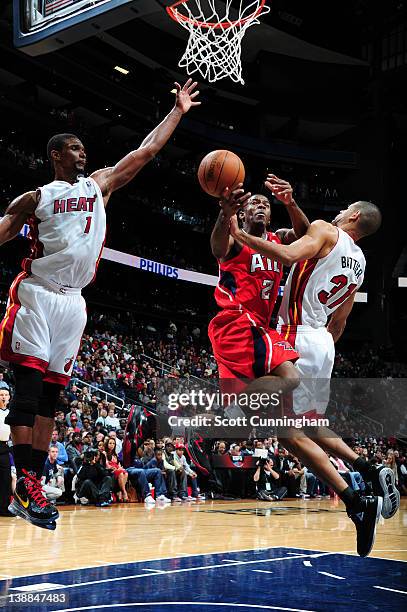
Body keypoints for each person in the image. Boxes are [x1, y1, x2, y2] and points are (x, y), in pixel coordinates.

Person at [0, 78, 200, 529]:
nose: (82, 153)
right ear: (55, 154)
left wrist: (178, 111)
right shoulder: (38, 198)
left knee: (52, 400)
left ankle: (28, 487)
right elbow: (4, 230)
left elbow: (145, 152)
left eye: (83, 148)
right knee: (28, 394)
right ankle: (27, 483)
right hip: (37, 294)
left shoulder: (99, 185)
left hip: (75, 305)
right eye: (73, 147)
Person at [229, 199, 399, 556]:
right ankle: (367, 468)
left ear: (353, 216)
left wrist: (242, 235)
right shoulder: (360, 263)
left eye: (345, 208)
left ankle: (356, 499)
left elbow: (288, 255)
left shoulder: (326, 229)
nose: (339, 210)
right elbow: (341, 321)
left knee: (281, 429)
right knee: (307, 425)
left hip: (296, 333)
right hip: (324, 341)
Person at [208, 175, 310, 416]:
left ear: (271, 216)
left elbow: (306, 233)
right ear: (242, 214)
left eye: (265, 204)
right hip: (237, 322)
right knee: (290, 377)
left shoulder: (278, 239)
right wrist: (224, 215)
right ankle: (226, 412)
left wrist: (290, 202)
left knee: (242, 422)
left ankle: (191, 429)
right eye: (254, 203)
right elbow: (217, 248)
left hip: (256, 327)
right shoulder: (234, 238)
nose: (261, 206)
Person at [0, 388, 12, 516]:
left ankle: (4, 508)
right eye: (1, 395)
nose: (3, 397)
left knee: (5, 479)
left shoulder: (11, 413)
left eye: (6, 395)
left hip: (4, 446)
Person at [104, 437, 128, 502]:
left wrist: (119, 467)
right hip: (110, 470)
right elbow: (106, 464)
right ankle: (124, 492)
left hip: (116, 469)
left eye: (113, 443)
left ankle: (120, 491)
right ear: (107, 444)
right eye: (110, 443)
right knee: (120, 473)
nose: (112, 445)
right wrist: (112, 468)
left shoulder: (115, 454)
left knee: (125, 473)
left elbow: (118, 464)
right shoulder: (104, 453)